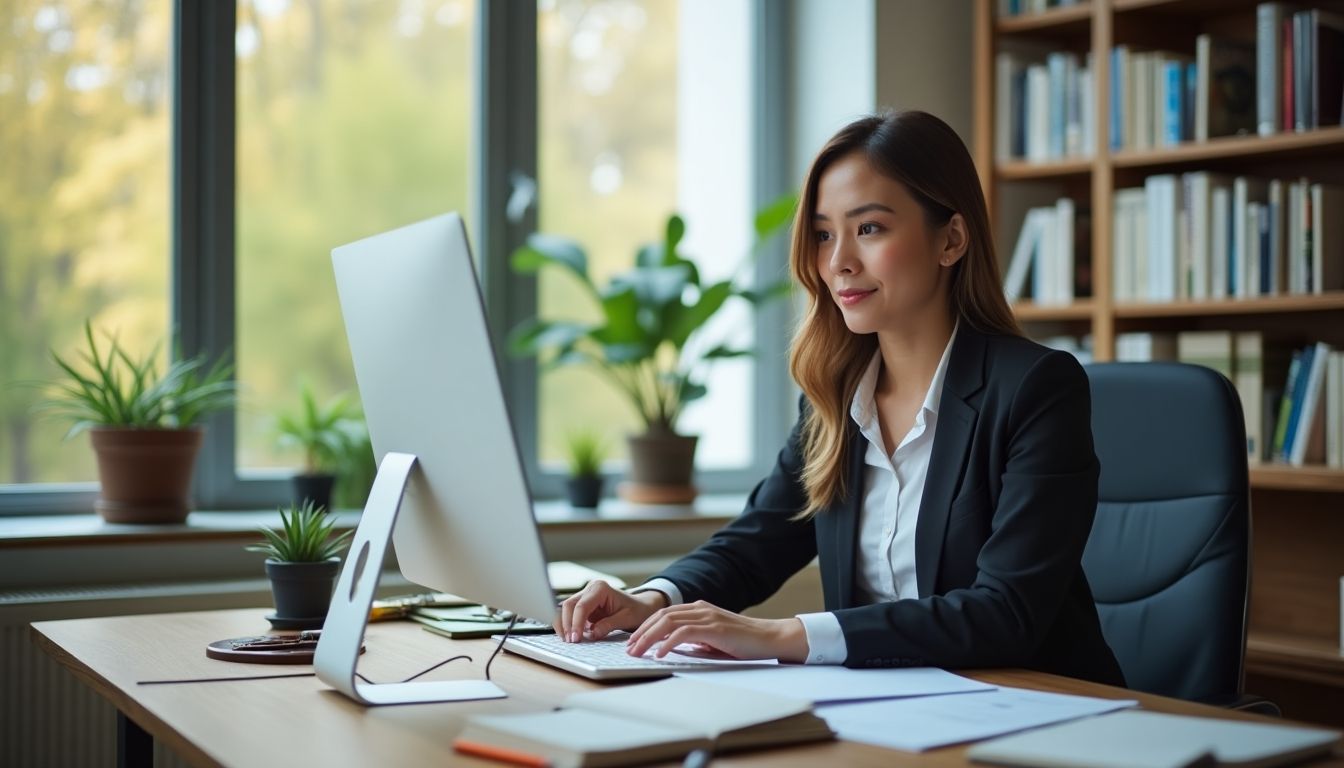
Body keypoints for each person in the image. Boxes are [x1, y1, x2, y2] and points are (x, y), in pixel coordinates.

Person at [555, 110, 1125, 686]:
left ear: (950, 239)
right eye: (825, 234)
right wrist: (654, 598)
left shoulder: (1036, 389)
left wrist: (782, 635)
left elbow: (1007, 613)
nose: (837, 262)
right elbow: (759, 539)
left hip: (1037, 706)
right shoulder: (836, 396)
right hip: (887, 705)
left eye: (870, 228)